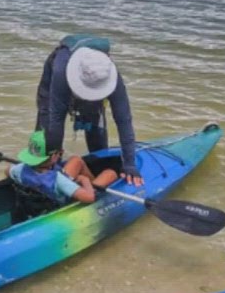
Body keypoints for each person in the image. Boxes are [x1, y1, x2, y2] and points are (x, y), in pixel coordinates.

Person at [34, 34, 144, 188]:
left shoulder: (110, 77)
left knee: (95, 130)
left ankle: (96, 176)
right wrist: (53, 162)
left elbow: (124, 121)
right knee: (45, 133)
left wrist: (130, 165)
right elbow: (56, 118)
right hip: (55, 79)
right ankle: (40, 172)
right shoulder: (61, 70)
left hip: (93, 78)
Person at [7, 129, 119, 206]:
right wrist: (84, 180)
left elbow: (7, 171)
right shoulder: (59, 180)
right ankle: (93, 184)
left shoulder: (20, 169)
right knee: (110, 173)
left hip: (44, 193)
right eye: (59, 153)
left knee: (76, 160)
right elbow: (89, 198)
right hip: (65, 195)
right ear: (54, 157)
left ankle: (89, 181)